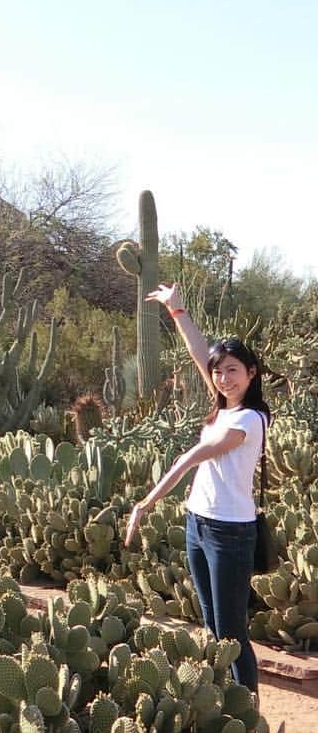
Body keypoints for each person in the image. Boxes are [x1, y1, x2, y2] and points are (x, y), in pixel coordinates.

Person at [123, 283, 269, 697]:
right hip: (198, 525)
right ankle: (223, 700)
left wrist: (144, 504)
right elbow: (197, 351)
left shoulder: (250, 419)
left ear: (251, 373)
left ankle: (247, 712)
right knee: (210, 622)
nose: (223, 379)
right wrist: (176, 309)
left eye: (233, 371)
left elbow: (188, 459)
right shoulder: (223, 405)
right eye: (218, 371)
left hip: (230, 532)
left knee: (231, 632)